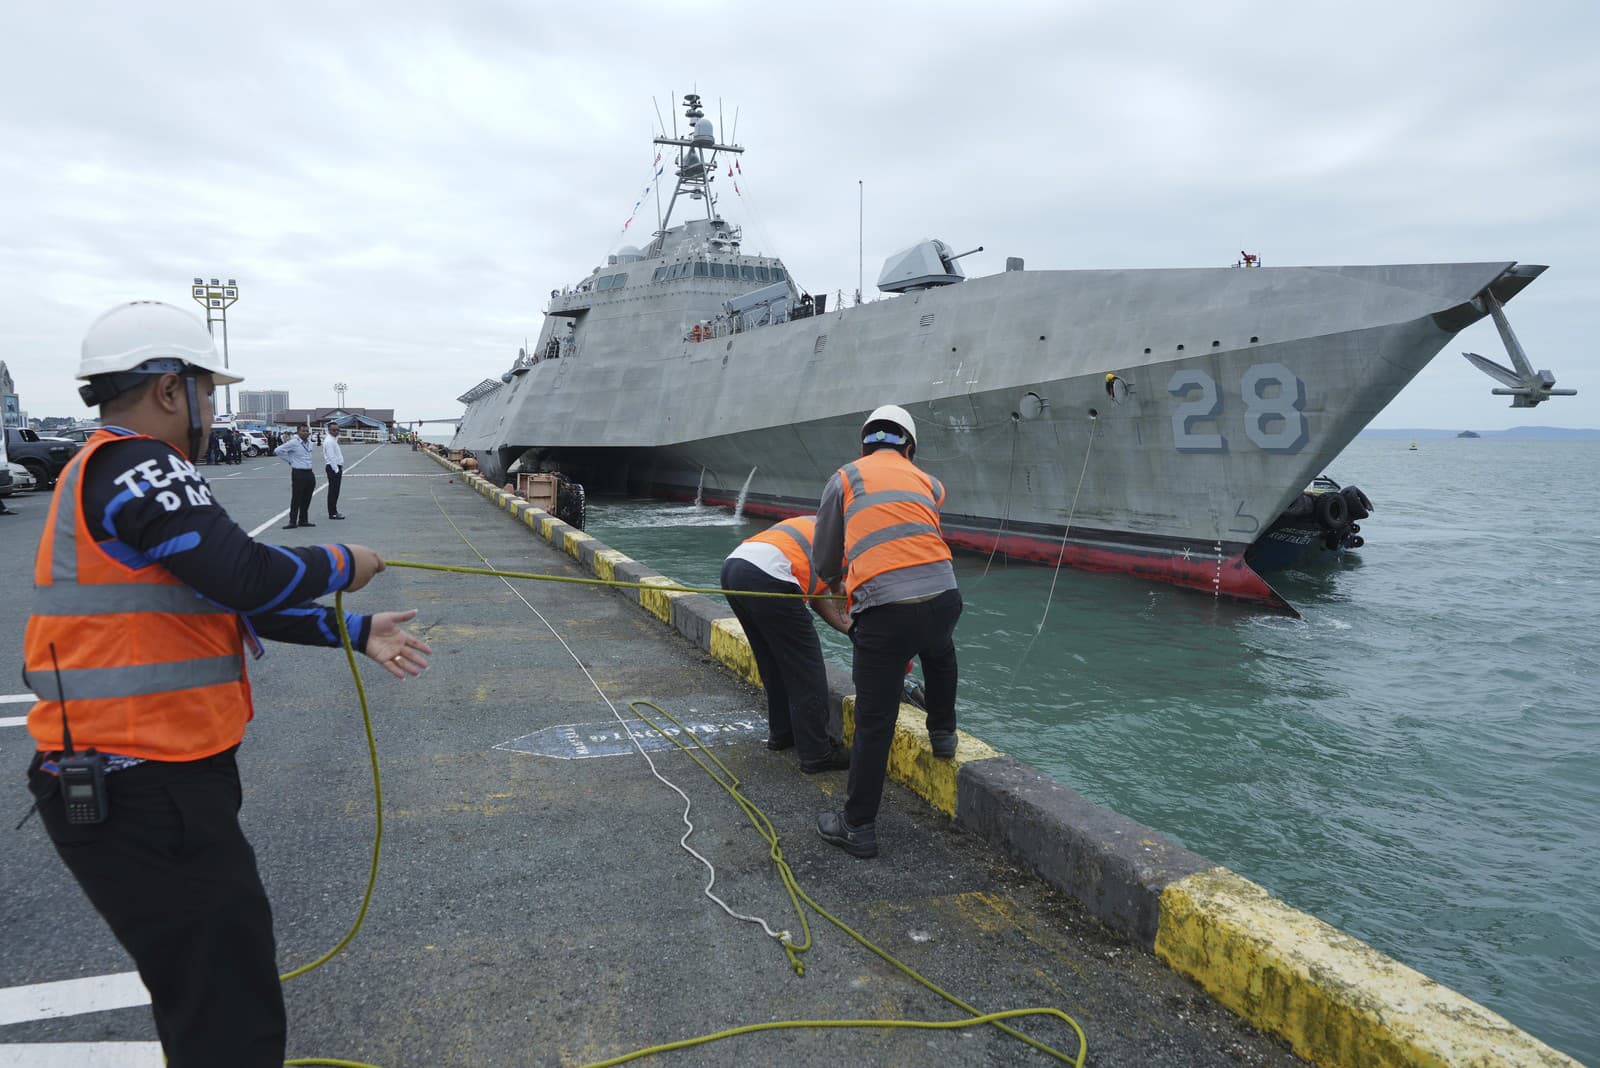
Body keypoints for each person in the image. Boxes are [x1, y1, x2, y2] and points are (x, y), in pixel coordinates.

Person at [20, 300, 432, 1068]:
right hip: (140, 783)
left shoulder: (104, 469)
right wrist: (348, 562)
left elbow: (217, 595)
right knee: (228, 1020)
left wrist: (353, 628)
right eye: (206, 390)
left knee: (215, 990)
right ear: (172, 390)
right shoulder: (141, 463)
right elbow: (244, 573)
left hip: (146, 779)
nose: (211, 409)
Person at [812, 404, 962, 859]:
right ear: (910, 447)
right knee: (940, 651)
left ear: (864, 444)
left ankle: (857, 826)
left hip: (884, 610)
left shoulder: (845, 478)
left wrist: (837, 581)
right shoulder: (930, 483)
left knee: (876, 722)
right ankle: (943, 734)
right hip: (944, 596)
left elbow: (824, 558)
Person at [720, 516, 852, 773]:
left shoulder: (816, 527)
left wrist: (851, 631)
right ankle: (817, 753)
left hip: (735, 568)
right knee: (806, 670)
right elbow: (835, 595)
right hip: (770, 577)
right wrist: (863, 632)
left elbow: (818, 599)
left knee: (773, 661)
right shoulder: (850, 542)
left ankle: (783, 734)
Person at [274, 424, 316, 528]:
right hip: (298, 473)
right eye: (303, 431)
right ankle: (292, 521)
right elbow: (278, 451)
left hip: (309, 472)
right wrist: (290, 461)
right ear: (298, 432)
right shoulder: (293, 442)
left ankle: (303, 520)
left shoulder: (310, 443)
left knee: (307, 497)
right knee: (296, 498)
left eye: (307, 431)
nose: (306, 433)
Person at [322, 422, 347, 520]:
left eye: (337, 429)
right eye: (333, 430)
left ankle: (333, 511)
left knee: (335, 491)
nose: (336, 431)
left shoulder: (333, 440)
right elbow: (331, 457)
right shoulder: (329, 441)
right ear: (329, 430)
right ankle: (332, 513)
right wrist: (337, 470)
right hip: (333, 468)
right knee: (333, 491)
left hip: (335, 467)